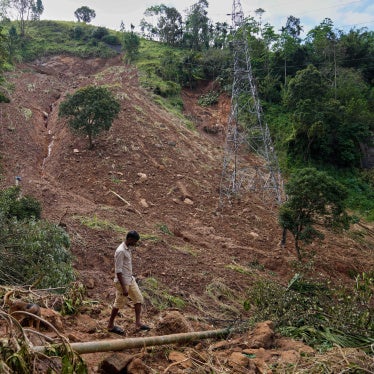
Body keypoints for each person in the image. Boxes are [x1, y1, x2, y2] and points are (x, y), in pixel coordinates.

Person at [107, 230, 150, 335]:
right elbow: (118, 271)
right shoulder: (120, 251)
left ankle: (138, 323)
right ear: (129, 239)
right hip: (123, 282)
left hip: (130, 279)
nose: (135, 244)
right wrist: (124, 287)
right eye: (135, 241)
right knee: (118, 303)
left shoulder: (128, 249)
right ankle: (110, 325)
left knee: (138, 298)